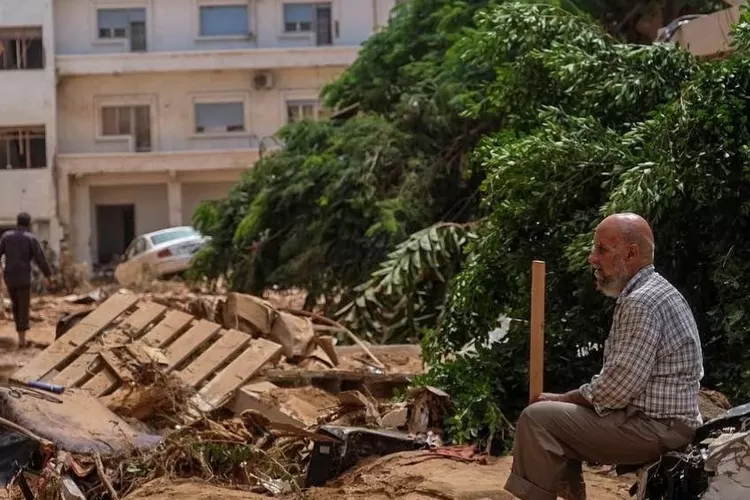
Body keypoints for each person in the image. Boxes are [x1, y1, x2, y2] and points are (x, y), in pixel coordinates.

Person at [504, 213, 704, 500]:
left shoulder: (641, 302)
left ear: (631, 253)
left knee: (537, 419)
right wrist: (569, 403)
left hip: (657, 429)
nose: (592, 258)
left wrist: (562, 399)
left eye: (602, 249)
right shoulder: (657, 290)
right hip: (665, 423)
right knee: (559, 417)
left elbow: (615, 390)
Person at [0, 213, 52, 348]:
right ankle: (22, 341)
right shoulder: (30, 238)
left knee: (15, 306)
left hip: (10, 278)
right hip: (24, 278)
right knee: (23, 307)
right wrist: (48, 275)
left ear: (17, 222)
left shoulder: (6, 237)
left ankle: (20, 337)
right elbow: (40, 259)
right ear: (28, 224)